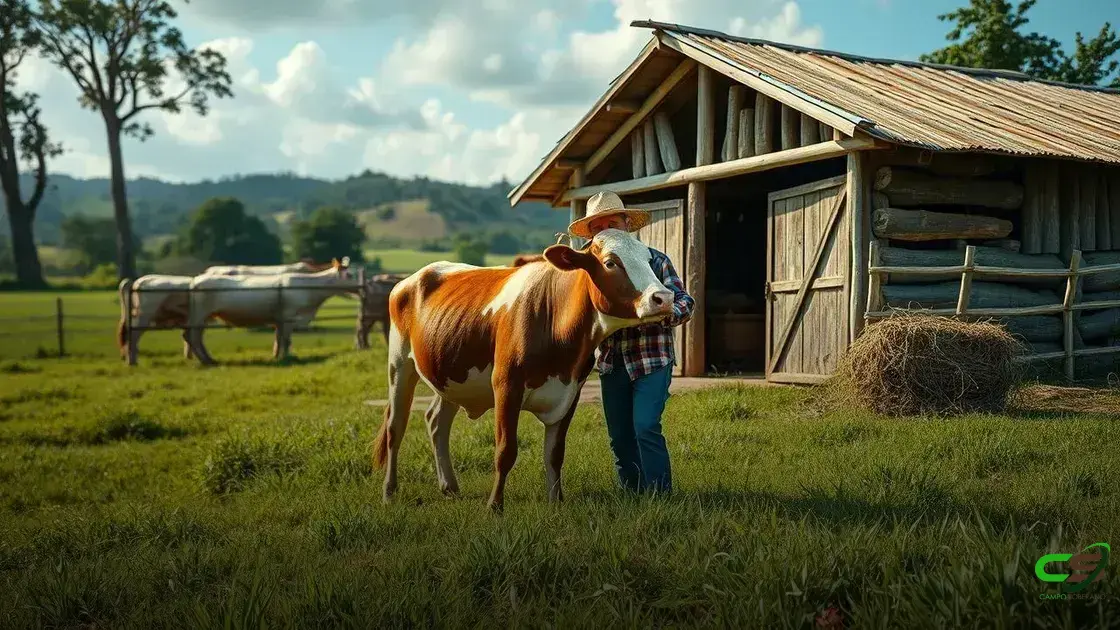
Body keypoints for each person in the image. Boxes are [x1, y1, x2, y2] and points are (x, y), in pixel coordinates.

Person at [567, 191, 695, 495]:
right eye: (598, 227)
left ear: (627, 224)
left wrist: (664, 313)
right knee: (620, 436)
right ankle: (632, 493)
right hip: (613, 361)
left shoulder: (655, 259)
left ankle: (660, 495)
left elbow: (684, 301)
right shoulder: (590, 268)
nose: (607, 230)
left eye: (613, 222)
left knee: (646, 426)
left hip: (652, 357)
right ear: (591, 235)